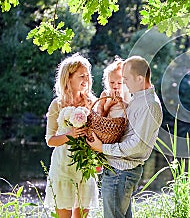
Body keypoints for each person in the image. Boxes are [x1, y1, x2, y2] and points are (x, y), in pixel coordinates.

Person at [87, 55, 163, 218]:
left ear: (140, 78)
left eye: (126, 79)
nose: (124, 83)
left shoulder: (149, 105)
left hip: (121, 171)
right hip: (117, 169)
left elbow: (138, 145)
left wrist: (103, 147)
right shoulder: (138, 100)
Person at [44, 53, 99, 218]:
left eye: (88, 75)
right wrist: (70, 135)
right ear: (68, 78)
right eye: (81, 75)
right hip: (62, 169)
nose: (86, 79)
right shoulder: (57, 104)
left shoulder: (92, 102)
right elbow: (50, 141)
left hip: (85, 167)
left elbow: (98, 135)